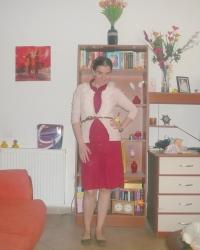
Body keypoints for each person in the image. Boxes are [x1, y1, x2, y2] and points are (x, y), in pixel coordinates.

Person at [71, 56, 137, 246]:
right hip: (89, 146)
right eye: (100, 73)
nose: (103, 78)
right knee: (90, 190)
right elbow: (75, 119)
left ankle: (99, 229)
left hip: (110, 145)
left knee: (106, 189)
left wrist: (122, 127)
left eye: (107, 74)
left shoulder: (114, 91)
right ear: (93, 71)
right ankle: (86, 229)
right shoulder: (81, 90)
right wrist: (81, 144)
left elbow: (133, 110)